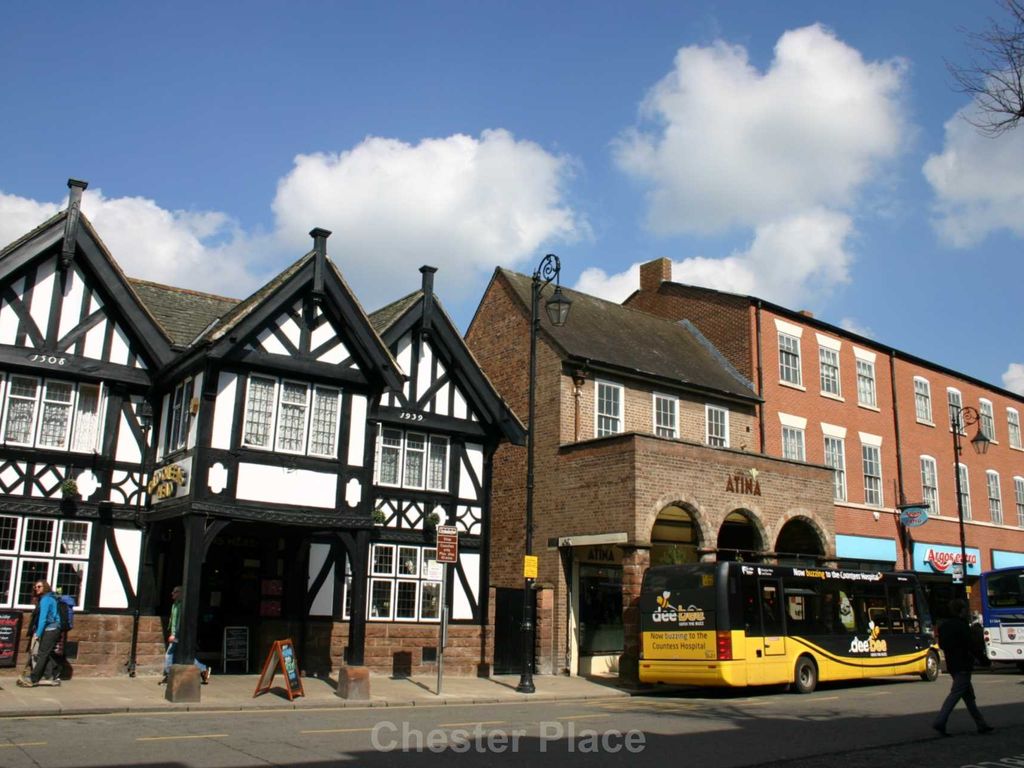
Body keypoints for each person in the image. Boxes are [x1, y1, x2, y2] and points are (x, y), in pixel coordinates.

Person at [932, 598, 994, 736]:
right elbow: (971, 645)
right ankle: (940, 721)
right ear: (961, 611)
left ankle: (981, 724)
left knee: (968, 696)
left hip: (952, 663)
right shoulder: (962, 625)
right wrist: (984, 660)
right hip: (963, 663)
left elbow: (942, 645)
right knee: (956, 693)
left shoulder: (944, 626)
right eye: (965, 609)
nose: (967, 612)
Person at [160, 585, 210, 685]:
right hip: (176, 634)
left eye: (175, 592)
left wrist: (174, 634)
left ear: (181, 594)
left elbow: (180, 622)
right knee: (185, 655)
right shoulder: (175, 605)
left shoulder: (182, 606)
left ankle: (168, 674)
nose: (172, 593)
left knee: (169, 655)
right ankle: (203, 669)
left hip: (179, 635)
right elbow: (173, 621)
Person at [17, 581, 61, 687]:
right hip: (52, 628)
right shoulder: (49, 598)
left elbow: (43, 618)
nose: (36, 588)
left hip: (50, 629)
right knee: (46, 653)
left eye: (39, 586)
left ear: (45, 587)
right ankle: (50, 675)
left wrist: (38, 633)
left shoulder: (46, 599)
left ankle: (33, 678)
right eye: (35, 587)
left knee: (42, 654)